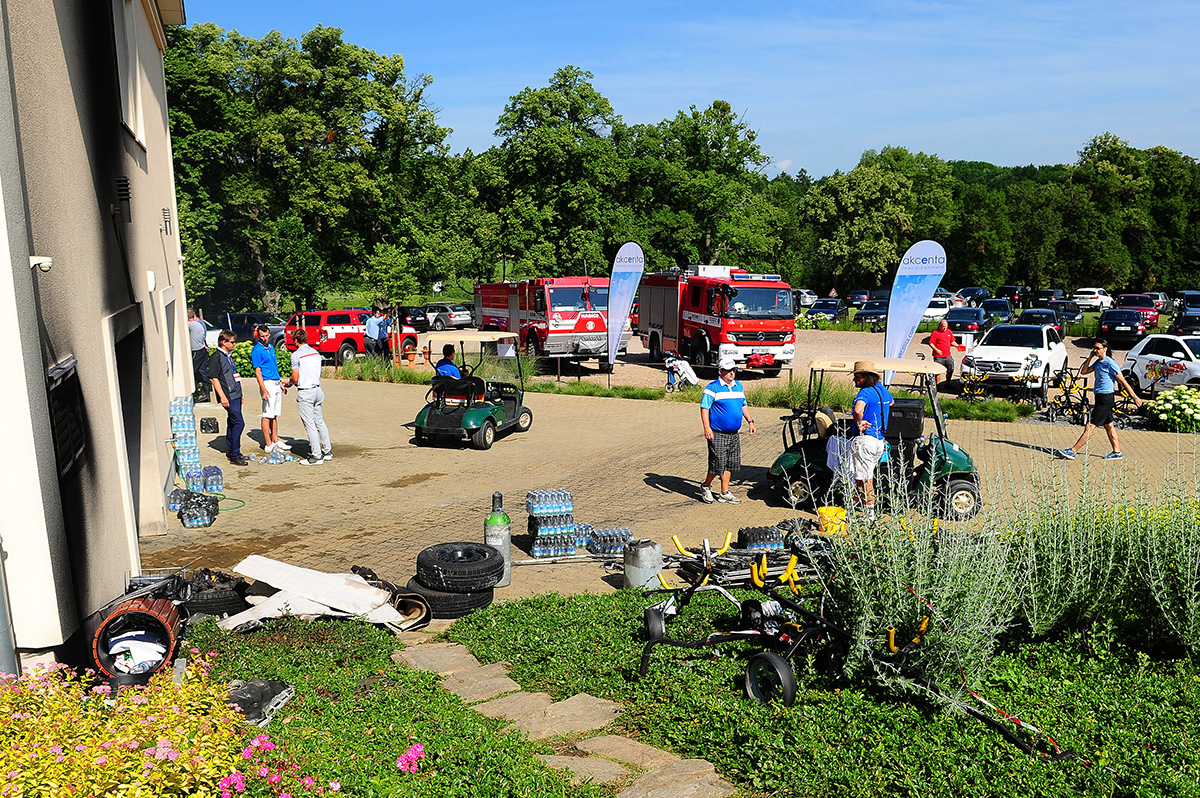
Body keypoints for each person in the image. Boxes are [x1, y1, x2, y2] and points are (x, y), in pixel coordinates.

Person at [1056, 339, 1142, 460]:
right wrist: (1090, 357)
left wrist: (1135, 397)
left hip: (1106, 398)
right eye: (1094, 348)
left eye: (1098, 348)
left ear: (1105, 349)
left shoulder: (1110, 363)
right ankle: (1117, 452)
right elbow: (1084, 371)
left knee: (1090, 425)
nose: (1095, 350)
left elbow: (1123, 381)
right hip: (1100, 397)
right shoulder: (1098, 362)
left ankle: (1073, 451)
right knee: (1109, 425)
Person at [699, 357, 756, 504]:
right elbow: (705, 408)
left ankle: (724, 492)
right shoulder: (712, 388)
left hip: (734, 434)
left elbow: (744, 405)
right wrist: (707, 428)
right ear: (720, 371)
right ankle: (706, 486)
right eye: (728, 370)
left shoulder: (738, 386)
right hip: (717, 432)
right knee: (717, 463)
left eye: (734, 370)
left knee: (730, 463)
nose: (732, 373)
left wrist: (750, 422)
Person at [851, 360, 894, 519]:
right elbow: (891, 401)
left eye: (857, 377)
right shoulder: (882, 391)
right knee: (862, 478)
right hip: (879, 441)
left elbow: (858, 409)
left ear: (866, 377)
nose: (854, 380)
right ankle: (853, 509)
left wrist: (860, 421)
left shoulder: (865, 392)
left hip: (865, 440)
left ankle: (870, 515)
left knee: (866, 479)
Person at [283, 328, 331, 466]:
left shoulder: (296, 355)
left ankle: (316, 456)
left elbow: (295, 378)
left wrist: (287, 382)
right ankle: (327, 452)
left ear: (296, 340)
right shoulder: (315, 353)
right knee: (320, 421)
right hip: (317, 390)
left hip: (305, 392)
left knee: (310, 424)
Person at [208, 330, 248, 465]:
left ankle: (233, 450)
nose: (234, 344)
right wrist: (222, 396)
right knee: (239, 423)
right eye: (232, 342)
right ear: (224, 342)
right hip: (228, 396)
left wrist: (240, 394)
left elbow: (234, 376)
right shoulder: (216, 357)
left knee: (232, 422)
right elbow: (214, 378)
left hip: (236, 394)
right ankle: (235, 454)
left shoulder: (228, 356)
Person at [251, 324, 288, 454]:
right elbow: (258, 371)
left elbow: (274, 366)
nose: (265, 338)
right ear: (258, 336)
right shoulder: (257, 351)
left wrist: (280, 382)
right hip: (267, 383)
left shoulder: (271, 347)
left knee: (274, 414)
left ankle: (276, 439)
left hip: (276, 382)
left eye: (266, 336)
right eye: (262, 337)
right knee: (267, 415)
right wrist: (263, 389)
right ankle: (268, 444)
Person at [187, 308, 210, 402]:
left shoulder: (191, 325)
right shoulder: (200, 324)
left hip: (196, 351)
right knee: (202, 371)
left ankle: (200, 392)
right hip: (202, 350)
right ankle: (207, 393)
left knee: (191, 371)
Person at [928, 318, 956, 387]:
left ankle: (948, 383)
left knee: (951, 368)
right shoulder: (935, 333)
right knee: (938, 371)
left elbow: (952, 341)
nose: (944, 328)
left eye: (945, 326)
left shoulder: (949, 332)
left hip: (947, 355)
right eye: (943, 326)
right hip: (938, 356)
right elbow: (931, 343)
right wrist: (936, 350)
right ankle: (937, 385)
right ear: (940, 326)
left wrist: (957, 346)